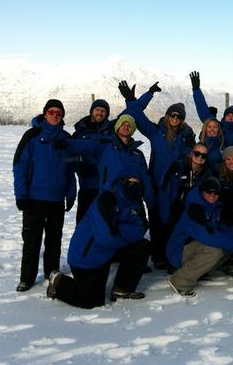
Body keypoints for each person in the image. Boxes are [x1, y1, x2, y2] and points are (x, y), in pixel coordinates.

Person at [47, 171, 151, 308]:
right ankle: (58, 281)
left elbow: (140, 228)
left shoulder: (134, 203)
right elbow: (105, 238)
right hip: (86, 257)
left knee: (142, 246)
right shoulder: (105, 199)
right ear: (121, 181)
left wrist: (116, 230)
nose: (133, 186)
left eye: (137, 183)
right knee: (92, 302)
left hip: (107, 252)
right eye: (129, 182)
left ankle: (122, 288)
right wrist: (121, 232)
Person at [123, 81, 196, 269]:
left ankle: (171, 255)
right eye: (172, 114)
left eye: (179, 116)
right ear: (167, 115)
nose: (175, 118)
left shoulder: (186, 136)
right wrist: (137, 97)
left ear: (182, 119)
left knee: (172, 221)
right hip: (156, 184)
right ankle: (158, 256)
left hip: (176, 186)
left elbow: (191, 157)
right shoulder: (156, 132)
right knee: (156, 221)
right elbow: (137, 116)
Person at [12, 99, 76, 292]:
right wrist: (21, 195)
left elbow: (71, 169)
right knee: (32, 240)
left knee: (54, 240)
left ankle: (52, 273)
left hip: (57, 199)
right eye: (51, 112)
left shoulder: (66, 138)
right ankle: (27, 278)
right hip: (34, 199)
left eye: (59, 113)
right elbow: (20, 167)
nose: (55, 115)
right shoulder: (31, 136)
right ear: (44, 114)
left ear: (62, 116)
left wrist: (71, 194)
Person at [166, 177, 233, 297]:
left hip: (195, 246)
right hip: (178, 251)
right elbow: (207, 235)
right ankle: (180, 282)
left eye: (215, 192)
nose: (212, 195)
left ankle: (199, 272)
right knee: (215, 251)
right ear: (202, 192)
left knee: (226, 247)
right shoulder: (194, 209)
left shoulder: (213, 208)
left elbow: (223, 228)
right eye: (208, 192)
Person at [159, 142, 213, 243]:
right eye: (197, 153)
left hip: (191, 215)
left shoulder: (207, 174)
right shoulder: (177, 166)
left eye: (204, 155)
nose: (200, 157)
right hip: (173, 212)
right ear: (191, 153)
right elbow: (164, 191)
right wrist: (166, 216)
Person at [72, 99, 112, 223]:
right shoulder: (80, 132)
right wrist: (80, 167)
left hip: (107, 189)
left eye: (103, 111)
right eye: (97, 110)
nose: (100, 113)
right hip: (87, 187)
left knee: (104, 226)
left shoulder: (112, 132)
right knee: (83, 225)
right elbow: (71, 156)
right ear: (92, 111)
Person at [189, 71, 233, 146]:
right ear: (224, 118)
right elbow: (203, 111)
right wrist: (196, 90)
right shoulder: (219, 127)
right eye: (228, 115)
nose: (231, 116)